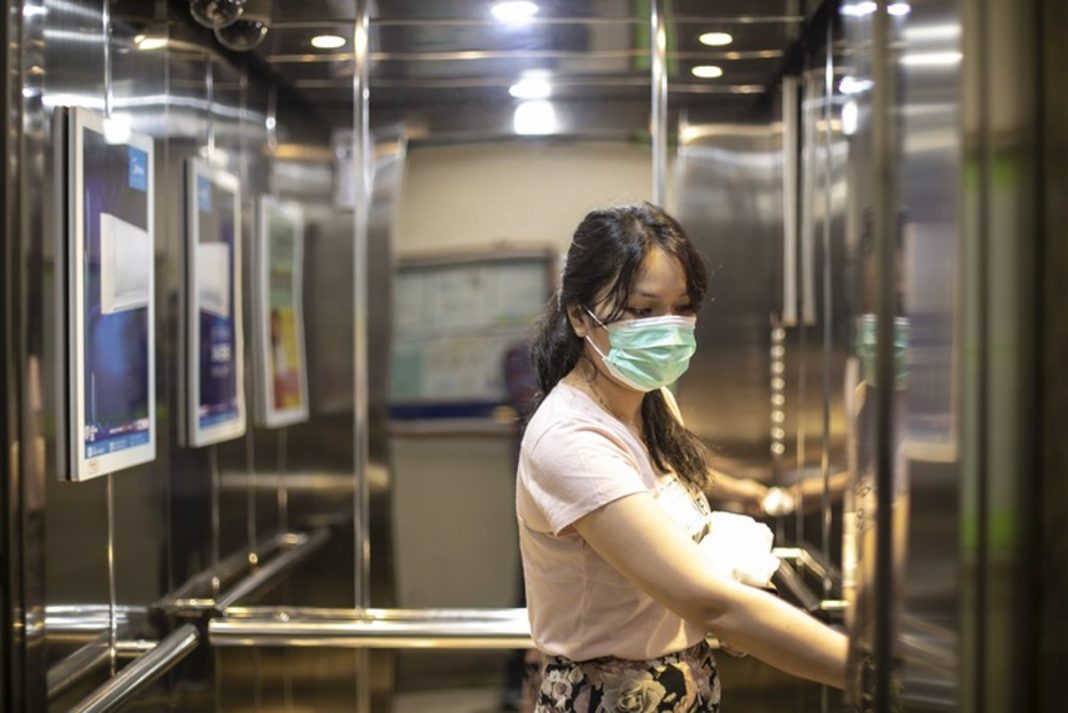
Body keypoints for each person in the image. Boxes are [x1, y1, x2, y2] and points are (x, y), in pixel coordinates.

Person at [516, 204, 847, 712]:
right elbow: (710, 603)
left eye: (683, 306)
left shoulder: (651, 401)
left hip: (685, 683)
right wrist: (867, 672)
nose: (668, 328)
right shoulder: (570, 438)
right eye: (643, 311)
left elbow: (655, 487)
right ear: (580, 316)